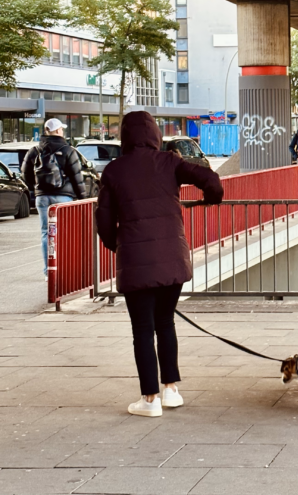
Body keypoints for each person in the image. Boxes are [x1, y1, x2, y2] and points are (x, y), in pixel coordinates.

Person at [96, 111, 223, 418]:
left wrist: (119, 245)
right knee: (165, 323)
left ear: (125, 136)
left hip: (136, 260)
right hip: (172, 259)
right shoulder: (169, 162)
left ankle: (149, 399)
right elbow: (211, 179)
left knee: (142, 329)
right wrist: (211, 199)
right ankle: (171, 390)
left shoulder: (114, 170)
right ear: (154, 133)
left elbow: (103, 219)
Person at [21, 118, 87, 280]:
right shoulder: (68, 150)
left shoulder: (34, 151)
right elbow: (77, 178)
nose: (62, 132)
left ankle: (49, 272)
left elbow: (25, 175)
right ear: (57, 131)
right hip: (64, 197)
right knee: (65, 233)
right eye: (61, 129)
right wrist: (82, 198)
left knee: (46, 233)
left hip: (42, 198)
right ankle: (65, 269)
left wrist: (37, 188)